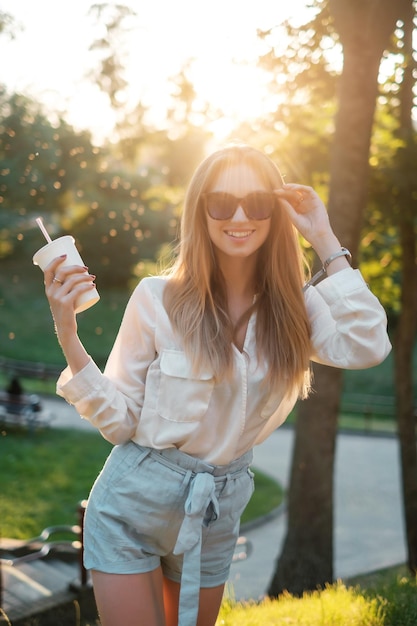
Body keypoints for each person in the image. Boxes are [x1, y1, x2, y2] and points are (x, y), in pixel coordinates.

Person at [42, 144, 391, 626]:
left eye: (258, 202)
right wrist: (68, 334)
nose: (240, 216)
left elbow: (368, 344)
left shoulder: (297, 308)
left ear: (277, 211)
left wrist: (325, 239)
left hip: (216, 510)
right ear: (200, 211)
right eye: (222, 203)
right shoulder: (156, 298)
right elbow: (120, 423)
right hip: (131, 504)